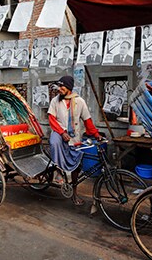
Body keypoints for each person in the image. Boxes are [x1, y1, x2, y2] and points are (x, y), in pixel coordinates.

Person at [48, 76, 102, 206]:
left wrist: (96, 134)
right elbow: (51, 119)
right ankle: (58, 170)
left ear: (69, 88)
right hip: (59, 132)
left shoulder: (80, 102)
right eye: (59, 86)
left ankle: (74, 193)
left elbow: (87, 121)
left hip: (74, 137)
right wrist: (61, 132)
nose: (60, 89)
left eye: (62, 87)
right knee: (54, 142)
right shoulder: (55, 101)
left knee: (76, 168)